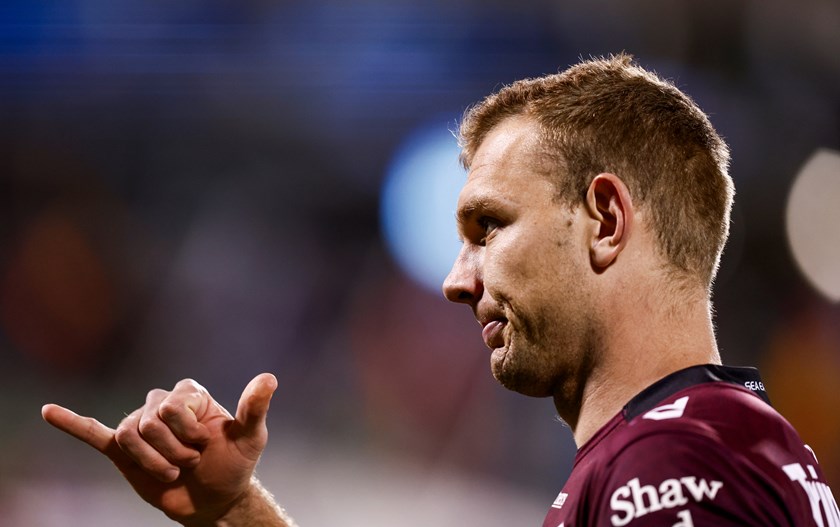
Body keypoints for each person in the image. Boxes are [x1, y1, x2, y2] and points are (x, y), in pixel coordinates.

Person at [42, 54, 839, 526]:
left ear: (604, 220)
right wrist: (237, 511)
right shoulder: (728, 444)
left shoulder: (665, 466)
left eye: (488, 226)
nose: (458, 281)